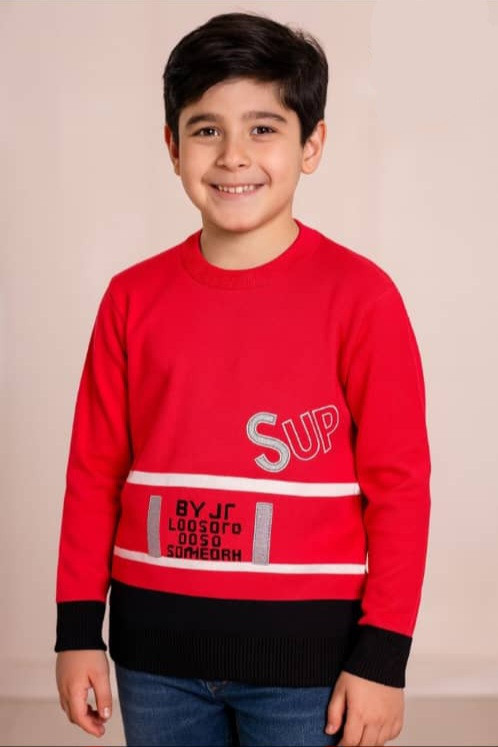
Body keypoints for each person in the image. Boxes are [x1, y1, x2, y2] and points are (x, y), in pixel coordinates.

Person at [54, 10, 431, 747]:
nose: (233, 156)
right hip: (153, 659)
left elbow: (399, 487)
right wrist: (76, 632)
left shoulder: (362, 298)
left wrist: (383, 657)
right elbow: (93, 473)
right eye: (206, 129)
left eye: (263, 128)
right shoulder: (131, 299)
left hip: (309, 667)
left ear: (311, 144)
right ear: (172, 146)